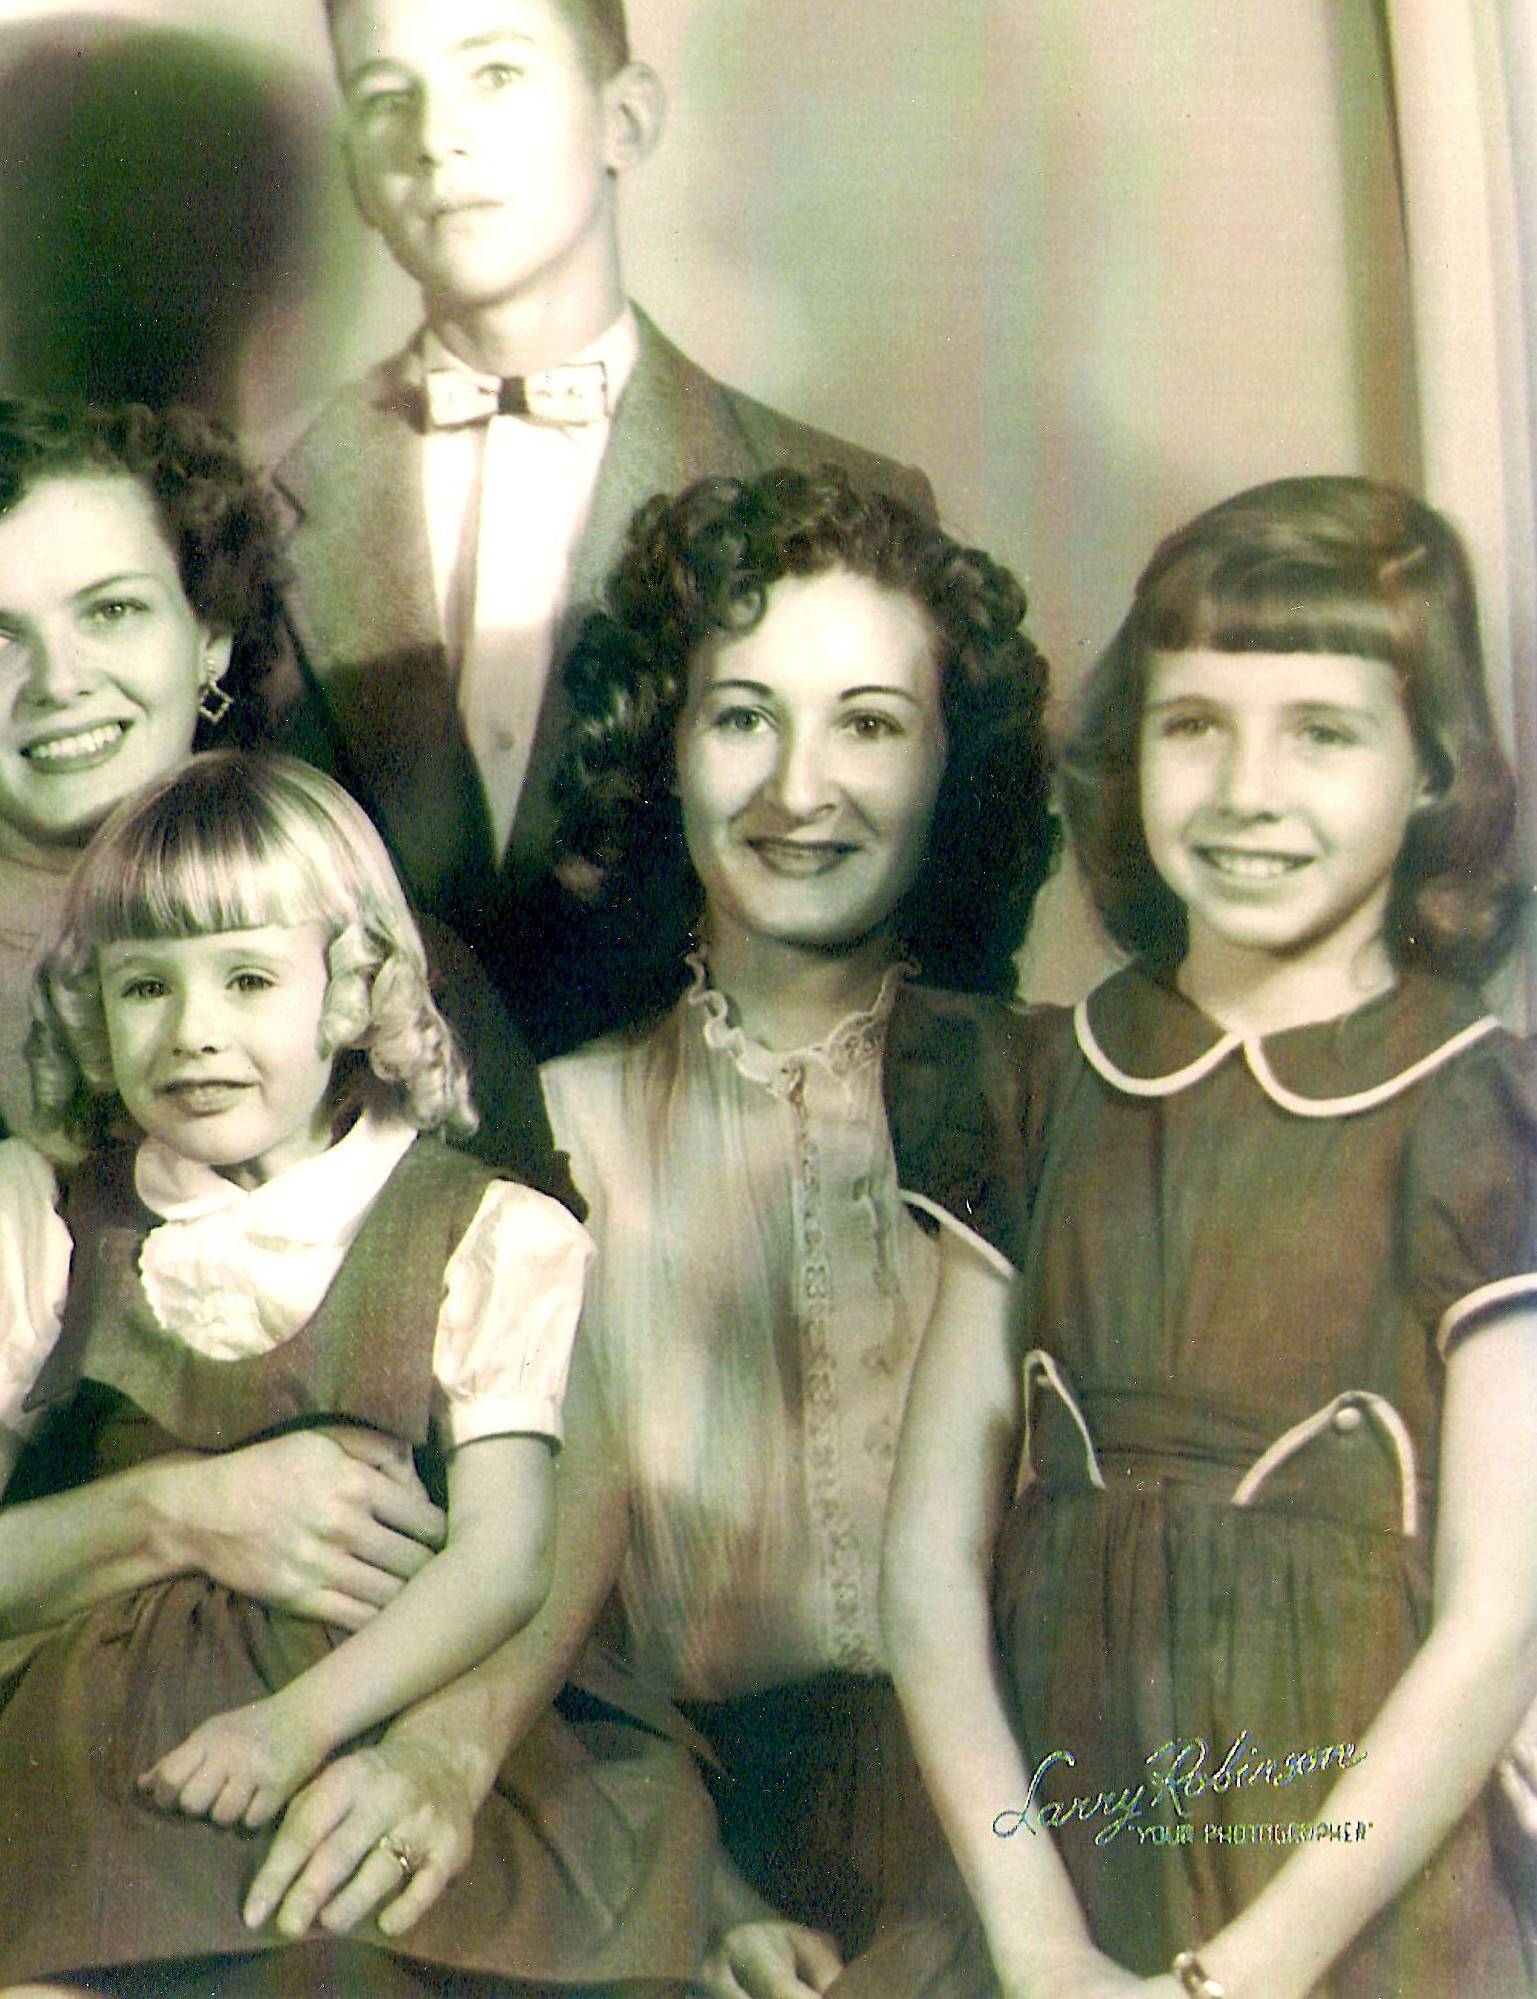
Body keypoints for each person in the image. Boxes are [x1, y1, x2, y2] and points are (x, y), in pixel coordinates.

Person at [885, 478, 1537, 1998]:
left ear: (1434, 775)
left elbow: (1502, 1622)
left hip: (1348, 1910)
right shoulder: (1037, 1087)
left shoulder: (1481, 1118)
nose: (1248, 787)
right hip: (1037, 1876)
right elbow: (926, 1569)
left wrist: (1235, 1981)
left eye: (1324, 731)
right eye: (1197, 726)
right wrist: (1036, 1939)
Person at [0, 751, 675, 1997]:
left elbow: (507, 1556)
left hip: (366, 1703)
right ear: (94, 1008)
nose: (192, 1033)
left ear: (351, 991)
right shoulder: (56, 1212)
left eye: (247, 978)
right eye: (146, 987)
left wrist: (298, 1724)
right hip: (112, 1738)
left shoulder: (476, 1227)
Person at [525, 468, 1057, 1999]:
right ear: (661, 751)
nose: (797, 791)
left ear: (957, 766)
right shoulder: (552, 1130)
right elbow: (524, 1599)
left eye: (871, 724)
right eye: (743, 716)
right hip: (664, 1834)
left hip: (1034, 1833)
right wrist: (703, 1899)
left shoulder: (1061, 1100)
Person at [270, 0, 933, 1056]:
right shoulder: (263, 515)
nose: (437, 137)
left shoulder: (848, 501)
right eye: (389, 98)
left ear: (624, 120)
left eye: (497, 75)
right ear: (356, 172)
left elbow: (941, 945)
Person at [0, 391, 563, 1361]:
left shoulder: (404, 968)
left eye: (111, 610)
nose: (59, 681)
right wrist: (151, 1517)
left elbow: (550, 1385)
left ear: (212, 637)